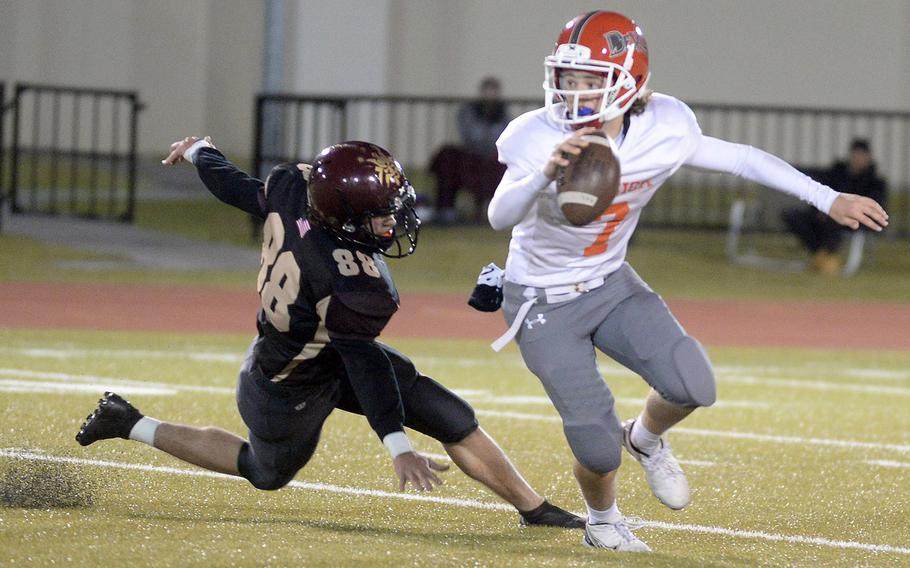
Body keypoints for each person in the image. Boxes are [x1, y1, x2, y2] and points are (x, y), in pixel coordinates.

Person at [479, 11, 888, 553]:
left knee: (694, 383)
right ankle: (603, 523)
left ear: (630, 83)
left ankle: (645, 439)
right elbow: (499, 217)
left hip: (609, 282)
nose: (573, 93)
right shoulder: (535, 136)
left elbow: (743, 159)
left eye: (590, 81)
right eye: (568, 79)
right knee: (597, 448)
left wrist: (828, 198)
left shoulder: (665, 126)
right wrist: (542, 174)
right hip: (541, 299)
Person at [75, 137, 583, 530]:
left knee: (451, 416)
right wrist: (396, 444)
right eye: (381, 215)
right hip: (285, 380)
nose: (393, 222)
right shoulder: (352, 285)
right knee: (265, 472)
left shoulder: (297, 190)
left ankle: (534, 508)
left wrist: (203, 151)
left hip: (330, 346)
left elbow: (241, 190)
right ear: (343, 217)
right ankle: (129, 422)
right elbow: (365, 366)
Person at [782, 138, 888, 274]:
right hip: (828, 213)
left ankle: (827, 255)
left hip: (854, 219)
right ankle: (821, 254)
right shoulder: (837, 173)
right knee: (794, 216)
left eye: (861, 155)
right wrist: (820, 209)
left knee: (836, 219)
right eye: (855, 154)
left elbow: (877, 206)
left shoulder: (875, 181)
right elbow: (821, 191)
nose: (857, 159)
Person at [429, 77, 510, 224]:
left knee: (499, 168)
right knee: (448, 160)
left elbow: (503, 135)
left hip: (492, 157)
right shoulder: (469, 110)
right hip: (472, 156)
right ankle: (446, 211)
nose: (490, 95)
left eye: (493, 91)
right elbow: (470, 135)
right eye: (487, 90)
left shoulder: (502, 112)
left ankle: (492, 210)